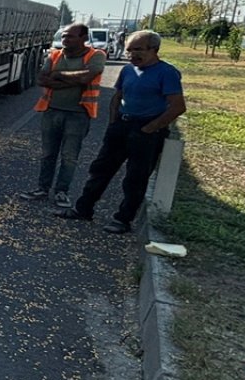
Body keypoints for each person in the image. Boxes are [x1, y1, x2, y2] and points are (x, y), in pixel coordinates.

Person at [57, 30, 186, 234]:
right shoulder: (127, 71)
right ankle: (83, 209)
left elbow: (177, 106)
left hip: (146, 130)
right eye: (129, 50)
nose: (133, 54)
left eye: (138, 50)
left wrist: (150, 128)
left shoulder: (167, 73)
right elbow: (117, 97)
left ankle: (123, 219)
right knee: (100, 169)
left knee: (135, 177)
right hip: (122, 126)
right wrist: (114, 122)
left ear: (154, 50)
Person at [19, 23, 106, 208]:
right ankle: (42, 189)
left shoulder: (96, 55)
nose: (65, 39)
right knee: (48, 154)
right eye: (64, 36)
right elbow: (42, 79)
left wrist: (57, 75)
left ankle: (61, 192)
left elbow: (86, 78)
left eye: (71, 36)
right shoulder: (55, 54)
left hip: (78, 115)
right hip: (52, 111)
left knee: (69, 156)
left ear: (83, 38)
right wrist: (72, 80)